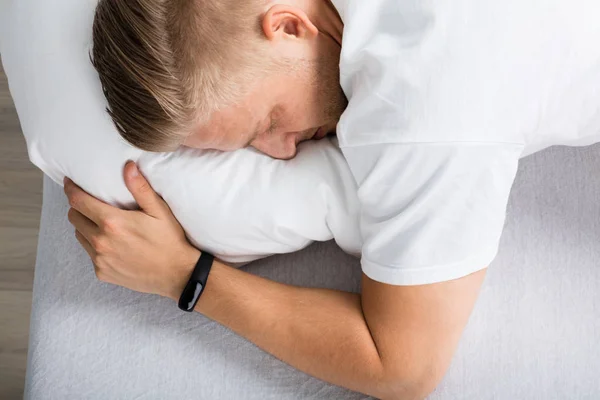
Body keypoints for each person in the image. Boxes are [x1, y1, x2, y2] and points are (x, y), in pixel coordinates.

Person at [64, 0, 600, 398]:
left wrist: (185, 276)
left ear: (289, 26)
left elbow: (402, 365)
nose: (277, 151)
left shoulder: (420, 108)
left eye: (267, 122)